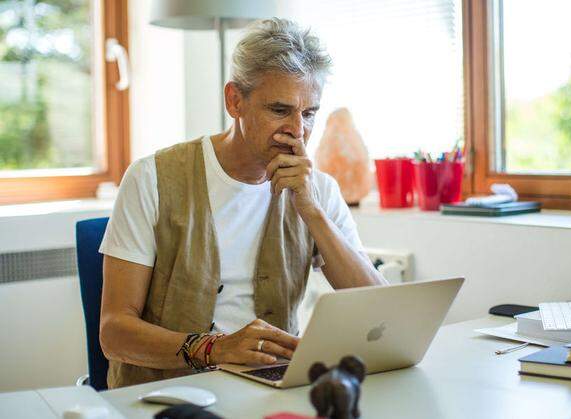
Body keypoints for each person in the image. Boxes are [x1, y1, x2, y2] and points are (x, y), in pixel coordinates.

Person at [98, 18, 386, 389]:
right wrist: (215, 349)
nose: (297, 130)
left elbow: (379, 309)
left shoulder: (319, 191)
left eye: (309, 113)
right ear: (234, 101)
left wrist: (313, 214)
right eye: (280, 110)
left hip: (273, 390)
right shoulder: (150, 178)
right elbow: (114, 333)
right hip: (166, 393)